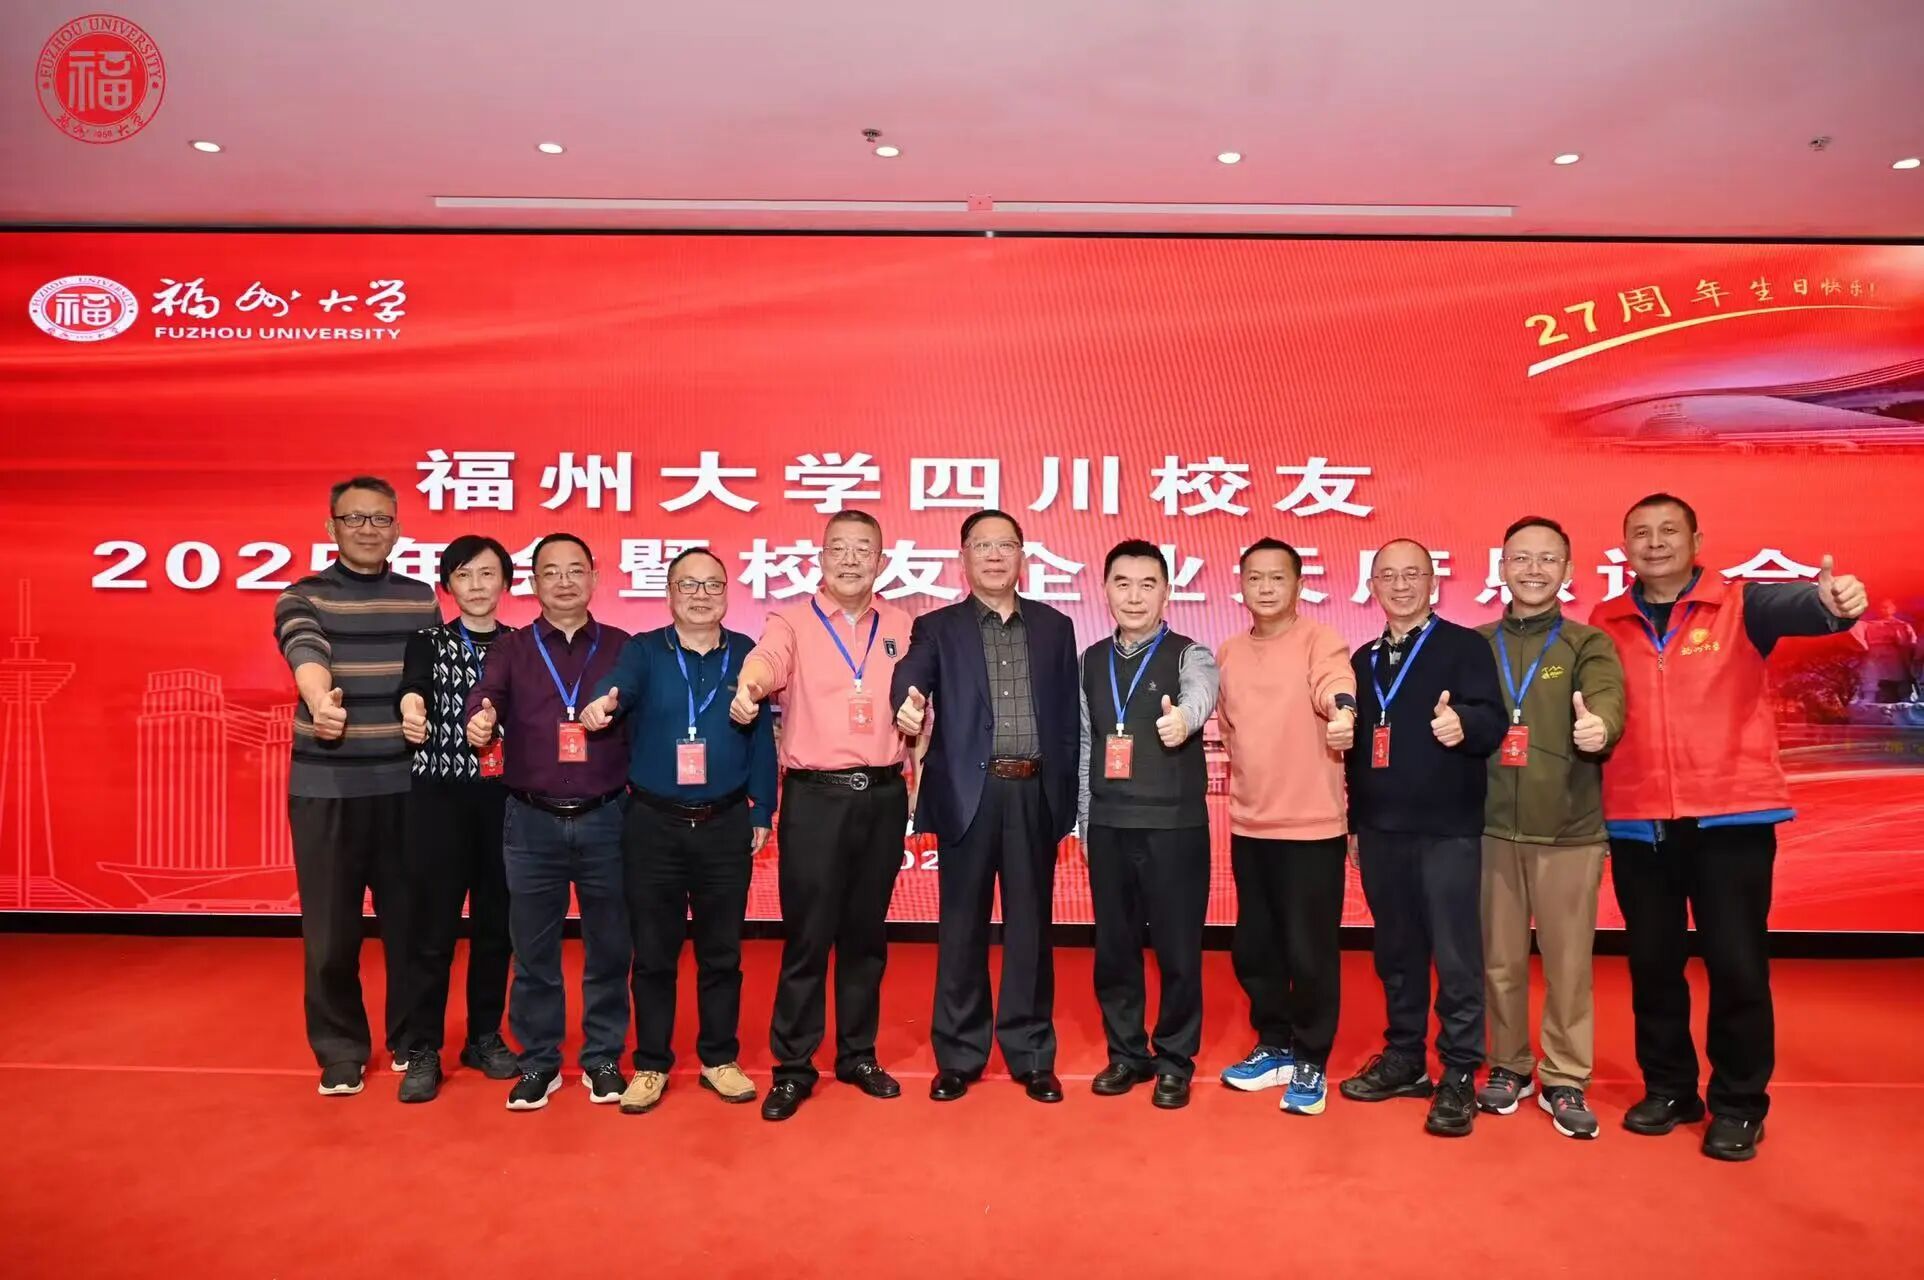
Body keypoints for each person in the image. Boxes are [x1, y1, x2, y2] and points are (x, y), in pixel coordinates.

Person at [1593, 493, 1866, 1161]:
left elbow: (1808, 607)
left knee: (1736, 966)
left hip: (1731, 819)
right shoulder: (1605, 620)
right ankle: (1670, 1089)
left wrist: (1835, 603)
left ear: (1696, 541)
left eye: (1669, 530)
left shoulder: (1742, 605)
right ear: (1624, 548)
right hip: (1638, 823)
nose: (1655, 542)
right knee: (1653, 966)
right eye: (1640, 533)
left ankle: (1739, 1104)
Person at [888, 510, 1081, 1105]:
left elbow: (1067, 721)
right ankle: (959, 1056)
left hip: (1032, 792)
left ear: (1023, 555)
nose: (994, 556)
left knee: (1031, 928)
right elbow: (911, 675)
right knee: (961, 928)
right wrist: (907, 701)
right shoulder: (937, 627)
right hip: (968, 794)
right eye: (982, 546)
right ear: (963, 557)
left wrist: (1065, 799)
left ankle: (1031, 1054)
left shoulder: (1055, 627)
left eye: (1005, 545)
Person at [577, 547, 776, 1113]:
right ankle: (651, 1063)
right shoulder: (644, 650)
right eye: (688, 584)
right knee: (654, 953)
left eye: (712, 584)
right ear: (669, 594)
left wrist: (762, 810)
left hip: (724, 823)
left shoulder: (747, 653)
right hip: (653, 825)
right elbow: (618, 687)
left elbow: (762, 739)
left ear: (727, 593)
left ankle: (719, 1058)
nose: (700, 595)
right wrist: (602, 703)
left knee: (722, 952)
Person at [730, 510, 912, 1122]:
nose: (851, 559)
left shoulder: (903, 625)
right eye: (839, 548)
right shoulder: (792, 621)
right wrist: (750, 686)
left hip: (883, 796)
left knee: (866, 936)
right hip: (815, 798)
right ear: (821, 557)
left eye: (864, 549)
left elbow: (921, 697)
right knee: (808, 937)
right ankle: (793, 1066)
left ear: (881, 561)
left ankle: (859, 1055)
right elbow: (767, 661)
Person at [273, 476, 437, 1097]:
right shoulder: (302, 595)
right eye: (355, 518)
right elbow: (304, 649)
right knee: (331, 933)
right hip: (328, 788)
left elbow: (428, 676)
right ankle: (340, 1049)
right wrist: (320, 701)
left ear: (397, 528)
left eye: (381, 519)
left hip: (407, 788)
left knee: (411, 928)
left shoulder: (420, 599)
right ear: (331, 527)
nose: (369, 529)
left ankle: (410, 1040)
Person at [1338, 538, 1505, 1137]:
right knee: (1396, 953)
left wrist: (1466, 724)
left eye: (1413, 574)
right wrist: (1355, 823)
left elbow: (1494, 721)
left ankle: (1459, 1071)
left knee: (1456, 957)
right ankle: (1405, 1057)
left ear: (1434, 583)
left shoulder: (1464, 647)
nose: (1401, 585)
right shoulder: (1362, 660)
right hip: (1381, 830)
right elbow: (1356, 750)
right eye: (1388, 575)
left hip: (1446, 830)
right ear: (1373, 587)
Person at [465, 533, 632, 1112]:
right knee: (533, 951)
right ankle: (539, 1060)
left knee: (610, 946)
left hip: (608, 818)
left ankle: (603, 1056)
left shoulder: (622, 647)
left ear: (594, 578)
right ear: (533, 583)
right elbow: (485, 696)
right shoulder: (511, 648)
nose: (564, 581)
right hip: (530, 822)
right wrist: (480, 718)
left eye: (575, 570)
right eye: (551, 572)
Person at [1473, 517, 1626, 1140]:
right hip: (1488, 831)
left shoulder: (1588, 644)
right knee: (1499, 962)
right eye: (1520, 558)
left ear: (1566, 570)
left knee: (1568, 965)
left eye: (1546, 559)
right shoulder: (1475, 644)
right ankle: (1508, 1065)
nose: (1532, 570)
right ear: (1501, 568)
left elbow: (1608, 700)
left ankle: (1564, 1076)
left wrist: (1600, 727)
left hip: (1569, 832)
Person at [1213, 538, 1357, 1117]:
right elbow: (1229, 732)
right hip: (1251, 824)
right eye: (1255, 577)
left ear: (1299, 584)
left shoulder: (1320, 640)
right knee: (1257, 946)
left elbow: (1334, 682)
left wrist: (1343, 710)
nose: (1266, 587)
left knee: (1310, 950)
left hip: (1312, 827)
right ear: (1241, 586)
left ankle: (1311, 1057)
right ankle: (1273, 1044)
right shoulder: (1228, 652)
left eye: (1278, 577)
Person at [1077, 540, 1219, 1110]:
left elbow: (1202, 695)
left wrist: (1184, 720)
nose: (1134, 596)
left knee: (1178, 949)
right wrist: (1085, 822)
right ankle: (1126, 1054)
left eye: (1147, 585)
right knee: (1114, 948)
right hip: (1109, 824)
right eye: (1123, 583)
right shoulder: (1090, 661)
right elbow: (1086, 744)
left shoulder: (1190, 654)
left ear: (1167, 593)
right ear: (1105, 591)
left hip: (1174, 827)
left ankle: (1175, 1060)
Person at [391, 535, 522, 1102]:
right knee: (432, 930)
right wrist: (411, 708)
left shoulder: (522, 645)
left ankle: (484, 1036)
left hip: (504, 802)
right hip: (438, 802)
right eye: (463, 575)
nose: (476, 586)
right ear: (447, 585)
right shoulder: (426, 641)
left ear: (506, 582)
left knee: (496, 927)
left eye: (487, 574)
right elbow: (413, 688)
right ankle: (423, 1046)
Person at [1859, 600, 1918, 703]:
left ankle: (1906, 696)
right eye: (1881, 607)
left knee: (1901, 674)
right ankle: (1869, 697)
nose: (1883, 610)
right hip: (1875, 653)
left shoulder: (1902, 625)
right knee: (1870, 674)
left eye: (1886, 607)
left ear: (1893, 609)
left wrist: (1901, 640)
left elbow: (1912, 642)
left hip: (1895, 653)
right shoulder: (1868, 625)